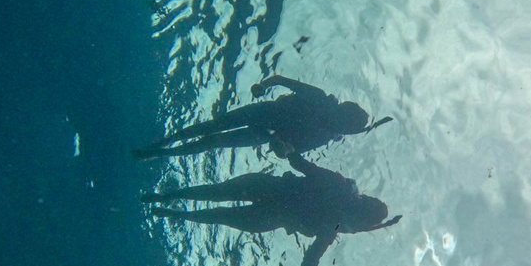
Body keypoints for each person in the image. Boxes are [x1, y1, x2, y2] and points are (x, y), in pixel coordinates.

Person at [144, 154, 401, 266]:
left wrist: (288, 150)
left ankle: (166, 199)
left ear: (364, 199)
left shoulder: (339, 189)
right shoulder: (331, 226)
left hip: (268, 189)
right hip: (267, 217)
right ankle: (172, 210)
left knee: (216, 194)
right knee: (217, 214)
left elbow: (303, 166)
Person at [133, 76, 390, 160]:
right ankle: (164, 147)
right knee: (212, 135)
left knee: (212, 136)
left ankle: (164, 149)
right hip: (264, 118)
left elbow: (290, 153)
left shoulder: (324, 131)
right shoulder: (320, 102)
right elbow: (281, 80)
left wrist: (281, 146)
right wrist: (263, 86)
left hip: (264, 128)